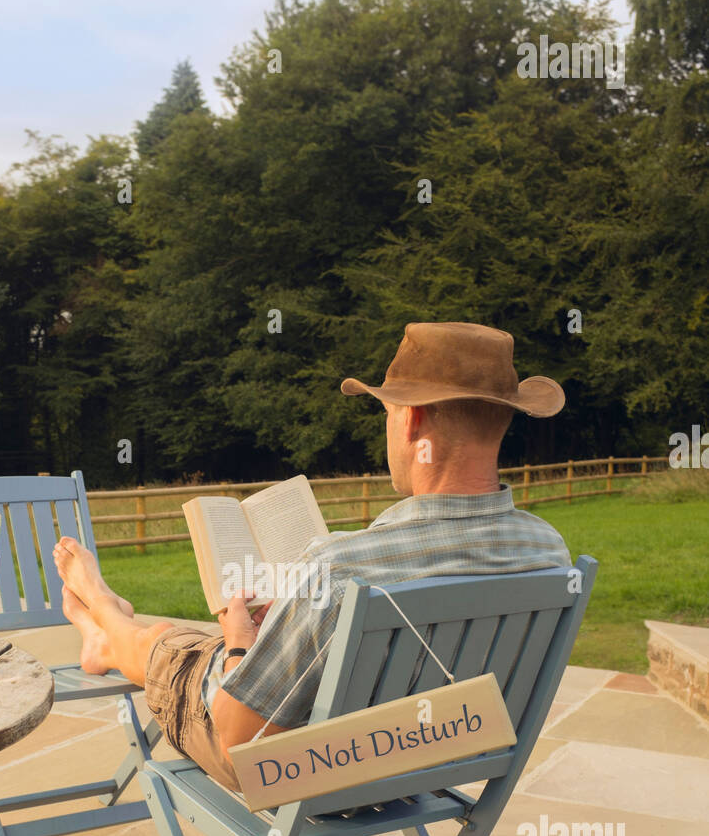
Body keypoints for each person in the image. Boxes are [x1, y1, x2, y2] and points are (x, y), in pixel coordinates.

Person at [53, 321, 571, 793]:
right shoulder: (549, 553)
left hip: (308, 774)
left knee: (164, 643)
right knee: (187, 637)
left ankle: (102, 617)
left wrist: (238, 645)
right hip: (427, 761)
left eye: (387, 415)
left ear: (411, 422)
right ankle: (107, 634)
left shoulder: (341, 567)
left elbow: (238, 742)